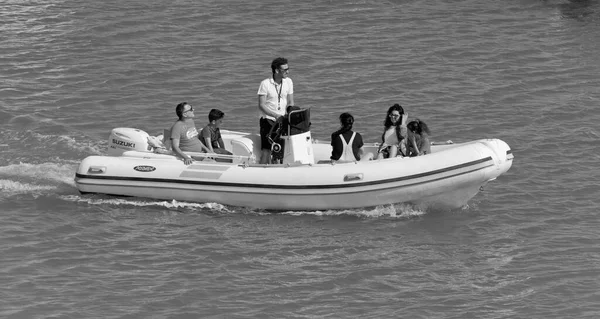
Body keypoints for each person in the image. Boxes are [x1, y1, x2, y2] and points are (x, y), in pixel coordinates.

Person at [257, 57, 294, 164]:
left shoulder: (289, 82)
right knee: (267, 149)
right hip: (268, 120)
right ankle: (262, 170)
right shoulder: (265, 84)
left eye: (288, 69)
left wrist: (289, 114)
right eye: (285, 70)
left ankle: (277, 169)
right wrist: (274, 115)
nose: (288, 72)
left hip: (283, 120)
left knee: (280, 149)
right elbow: (261, 105)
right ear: (276, 70)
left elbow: (291, 101)